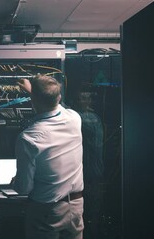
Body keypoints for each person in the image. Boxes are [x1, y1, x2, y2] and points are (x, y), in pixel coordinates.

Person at [12, 75, 84, 239]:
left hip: (46, 211)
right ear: (59, 97)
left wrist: (15, 181)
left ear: (33, 100)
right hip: (76, 206)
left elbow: (24, 188)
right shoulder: (74, 118)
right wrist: (35, 93)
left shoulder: (28, 138)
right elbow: (56, 105)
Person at [72, 90, 104, 239]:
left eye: (85, 98)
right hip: (86, 173)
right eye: (80, 98)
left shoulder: (91, 118)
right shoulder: (82, 117)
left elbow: (84, 125)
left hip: (92, 173)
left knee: (92, 212)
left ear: (91, 101)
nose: (82, 101)